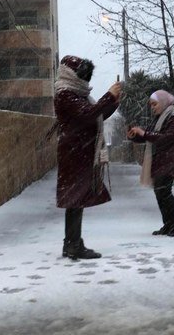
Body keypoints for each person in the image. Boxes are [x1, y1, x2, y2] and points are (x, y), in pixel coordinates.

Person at [54, 55, 122, 259]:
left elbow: (95, 115)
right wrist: (108, 96)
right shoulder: (65, 94)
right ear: (72, 75)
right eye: (82, 76)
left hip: (79, 152)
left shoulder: (76, 94)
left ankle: (72, 243)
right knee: (75, 199)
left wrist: (114, 102)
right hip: (74, 153)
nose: (85, 81)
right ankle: (73, 244)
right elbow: (87, 115)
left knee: (77, 200)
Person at [127, 90, 174, 237]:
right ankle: (168, 224)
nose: (152, 107)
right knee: (160, 193)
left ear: (164, 102)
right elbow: (150, 137)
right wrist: (135, 136)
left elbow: (166, 137)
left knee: (165, 193)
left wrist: (144, 133)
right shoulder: (159, 118)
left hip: (169, 160)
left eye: (155, 104)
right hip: (159, 161)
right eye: (151, 105)